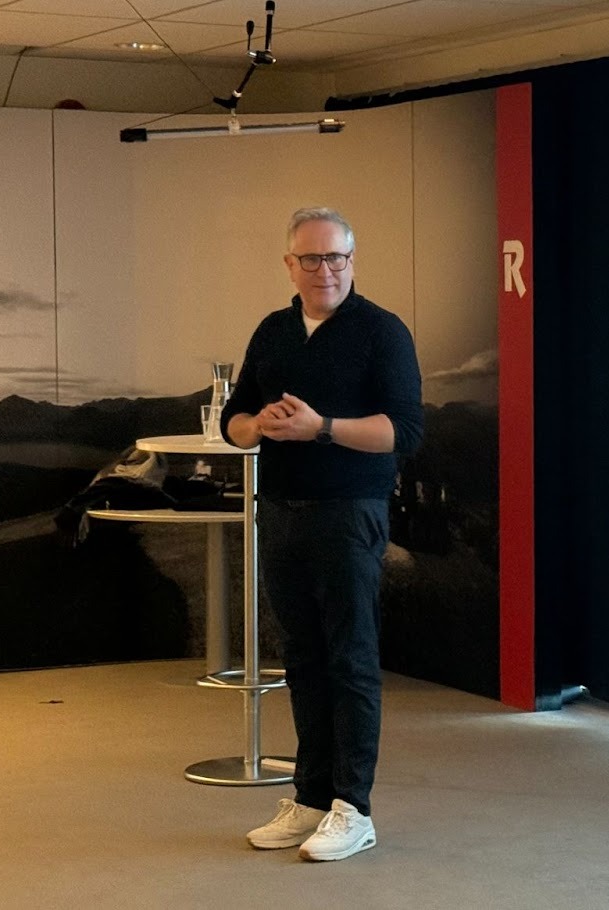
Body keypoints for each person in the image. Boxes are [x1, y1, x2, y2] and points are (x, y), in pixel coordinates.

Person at [221, 207, 423, 862]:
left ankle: (352, 809)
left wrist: (322, 428)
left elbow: (403, 433)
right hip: (281, 510)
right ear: (290, 265)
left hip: (350, 512)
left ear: (352, 261)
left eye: (335, 257)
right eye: (310, 258)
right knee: (303, 659)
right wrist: (257, 427)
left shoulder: (382, 332)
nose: (324, 270)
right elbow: (233, 420)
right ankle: (310, 797)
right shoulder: (273, 331)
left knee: (351, 659)